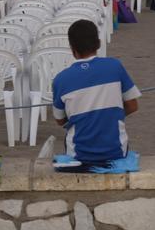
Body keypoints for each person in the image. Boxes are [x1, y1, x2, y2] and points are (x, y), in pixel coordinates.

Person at [50, 19, 141, 162]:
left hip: (78, 154)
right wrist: (109, 116)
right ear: (98, 43)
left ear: (72, 49)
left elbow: (60, 120)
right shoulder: (115, 67)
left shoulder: (60, 79)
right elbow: (133, 106)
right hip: (116, 151)